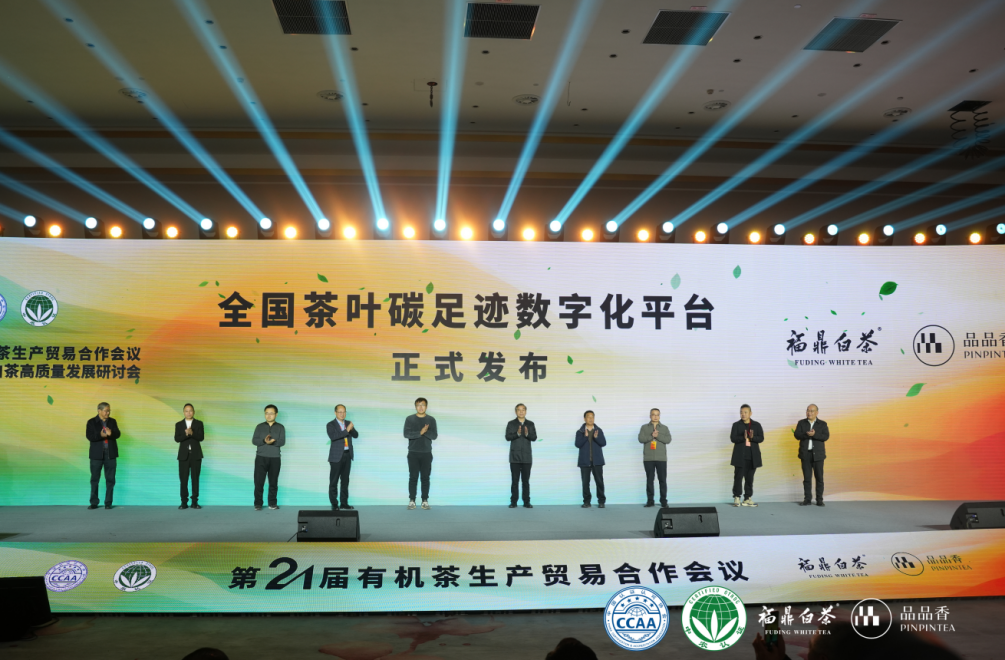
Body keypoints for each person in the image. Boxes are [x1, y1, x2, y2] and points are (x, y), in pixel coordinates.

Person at [403, 397, 437, 510]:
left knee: (425, 478)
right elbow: (406, 434)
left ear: (426, 407)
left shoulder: (431, 420)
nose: (421, 407)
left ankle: (425, 501)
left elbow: (434, 436)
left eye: (423, 405)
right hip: (413, 453)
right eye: (418, 405)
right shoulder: (410, 419)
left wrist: (425, 432)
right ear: (415, 406)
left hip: (426, 453)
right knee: (413, 477)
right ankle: (412, 500)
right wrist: (420, 432)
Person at [85, 402, 120, 509]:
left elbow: (118, 434)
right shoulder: (91, 422)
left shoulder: (112, 421)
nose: (108, 413)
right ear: (99, 411)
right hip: (96, 455)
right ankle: (94, 502)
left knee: (110, 479)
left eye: (109, 411)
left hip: (110, 454)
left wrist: (111, 434)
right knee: (94, 479)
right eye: (106, 411)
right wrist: (100, 435)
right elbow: (89, 436)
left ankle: (108, 503)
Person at [793, 403, 829, 507]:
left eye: (812, 411)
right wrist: (806, 434)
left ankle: (819, 500)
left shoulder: (822, 424)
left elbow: (826, 436)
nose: (809, 413)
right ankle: (807, 499)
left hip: (818, 455)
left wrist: (814, 434)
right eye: (808, 410)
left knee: (819, 478)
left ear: (817, 412)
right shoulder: (801, 423)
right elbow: (796, 435)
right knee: (807, 478)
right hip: (805, 455)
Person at [252, 404, 285, 510]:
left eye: (271, 413)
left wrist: (272, 442)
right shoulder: (259, 426)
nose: (269, 415)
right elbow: (254, 441)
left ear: (276, 414)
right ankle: (258, 504)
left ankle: (272, 503)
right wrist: (264, 441)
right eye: (267, 413)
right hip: (261, 457)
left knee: (273, 482)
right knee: (258, 482)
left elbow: (282, 442)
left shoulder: (280, 427)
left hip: (275, 458)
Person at [730, 404, 763, 507]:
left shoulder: (756, 425)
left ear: (750, 413)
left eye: (745, 412)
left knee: (749, 478)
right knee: (738, 477)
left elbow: (761, 438)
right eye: (741, 412)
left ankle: (747, 498)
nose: (743, 414)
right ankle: (737, 497)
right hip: (740, 456)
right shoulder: (736, 425)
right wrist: (742, 438)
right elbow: (732, 438)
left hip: (752, 456)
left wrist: (752, 438)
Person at [326, 404, 358, 510]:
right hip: (336, 457)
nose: (342, 414)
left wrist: (351, 429)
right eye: (340, 412)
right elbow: (333, 437)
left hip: (347, 455)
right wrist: (347, 430)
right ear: (335, 413)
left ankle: (344, 503)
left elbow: (356, 435)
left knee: (345, 481)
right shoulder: (330, 424)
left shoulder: (348, 423)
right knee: (334, 481)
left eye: (344, 412)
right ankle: (334, 504)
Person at [638, 408, 672, 507]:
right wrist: (651, 436)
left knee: (662, 480)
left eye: (657, 414)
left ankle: (663, 501)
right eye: (653, 414)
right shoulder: (644, 427)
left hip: (661, 458)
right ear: (650, 416)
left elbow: (668, 440)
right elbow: (640, 439)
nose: (655, 416)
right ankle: (650, 501)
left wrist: (657, 436)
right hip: (648, 458)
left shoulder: (664, 428)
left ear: (659, 416)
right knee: (649, 480)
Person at [505, 403, 537, 508]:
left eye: (523, 410)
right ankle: (513, 502)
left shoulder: (530, 424)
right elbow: (507, 437)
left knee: (525, 481)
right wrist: (517, 434)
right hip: (514, 457)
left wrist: (527, 434)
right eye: (519, 410)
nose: (521, 412)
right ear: (516, 412)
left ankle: (526, 502)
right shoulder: (511, 424)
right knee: (515, 481)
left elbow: (534, 437)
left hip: (527, 457)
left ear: (526, 411)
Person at [174, 403, 205, 510]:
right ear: (183, 412)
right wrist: (186, 434)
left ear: (193, 412)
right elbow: (177, 439)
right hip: (183, 456)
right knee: (183, 480)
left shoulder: (199, 423)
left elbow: (201, 437)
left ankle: (195, 502)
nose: (188, 413)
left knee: (195, 479)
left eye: (190, 410)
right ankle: (184, 502)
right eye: (186, 411)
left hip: (196, 455)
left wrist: (192, 433)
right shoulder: (179, 424)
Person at [575, 410, 606, 508]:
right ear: (584, 419)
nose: (591, 418)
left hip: (597, 461)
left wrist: (596, 437)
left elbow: (603, 443)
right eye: (588, 416)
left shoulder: (598, 430)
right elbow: (577, 444)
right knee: (585, 483)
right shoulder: (580, 432)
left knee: (599, 482)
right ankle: (587, 502)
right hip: (585, 462)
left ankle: (601, 501)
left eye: (592, 416)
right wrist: (585, 437)